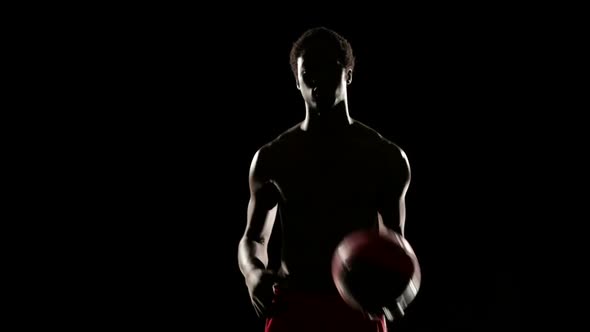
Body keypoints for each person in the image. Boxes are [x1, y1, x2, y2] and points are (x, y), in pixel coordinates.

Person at [237, 27, 412, 332]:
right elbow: (254, 239)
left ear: (348, 74)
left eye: (328, 67)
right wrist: (253, 274)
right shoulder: (273, 158)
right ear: (297, 80)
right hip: (293, 308)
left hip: (358, 309)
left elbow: (393, 238)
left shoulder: (385, 157)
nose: (317, 78)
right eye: (308, 71)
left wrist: (400, 285)